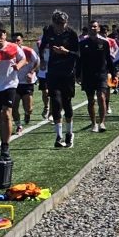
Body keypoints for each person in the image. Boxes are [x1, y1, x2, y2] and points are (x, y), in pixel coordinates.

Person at [0, 22, 26, 159]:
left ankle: (5, 145)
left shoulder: (13, 47)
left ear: (5, 35)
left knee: (7, 114)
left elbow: (23, 59)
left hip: (10, 85)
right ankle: (3, 139)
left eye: (0, 35)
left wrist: (18, 66)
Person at [39, 10, 79, 148]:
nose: (60, 26)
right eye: (58, 23)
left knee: (66, 103)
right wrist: (42, 60)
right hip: (53, 71)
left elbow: (78, 54)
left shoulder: (72, 34)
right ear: (53, 23)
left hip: (67, 72)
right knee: (55, 102)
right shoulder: (48, 31)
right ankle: (58, 136)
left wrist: (66, 52)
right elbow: (42, 46)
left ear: (66, 23)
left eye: (63, 23)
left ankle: (69, 133)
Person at [77, 20, 116, 132]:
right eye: (91, 27)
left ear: (98, 28)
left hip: (101, 74)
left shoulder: (104, 42)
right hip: (88, 75)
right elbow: (79, 61)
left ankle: (102, 123)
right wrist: (78, 74)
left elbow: (108, 59)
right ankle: (94, 124)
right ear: (88, 28)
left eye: (95, 26)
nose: (93, 28)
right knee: (91, 100)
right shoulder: (82, 43)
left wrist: (113, 74)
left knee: (101, 97)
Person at [10, 33, 40, 133]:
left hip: (27, 83)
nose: (15, 42)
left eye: (18, 40)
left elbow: (37, 61)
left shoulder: (28, 51)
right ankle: (18, 125)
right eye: (13, 40)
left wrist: (32, 72)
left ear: (22, 41)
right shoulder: (8, 52)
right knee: (14, 107)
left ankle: (27, 114)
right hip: (14, 83)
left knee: (29, 108)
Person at [36, 28, 51, 120]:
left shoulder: (56, 39)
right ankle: (46, 107)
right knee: (45, 91)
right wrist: (40, 62)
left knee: (53, 91)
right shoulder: (40, 41)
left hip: (54, 69)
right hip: (43, 70)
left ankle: (52, 112)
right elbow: (37, 53)